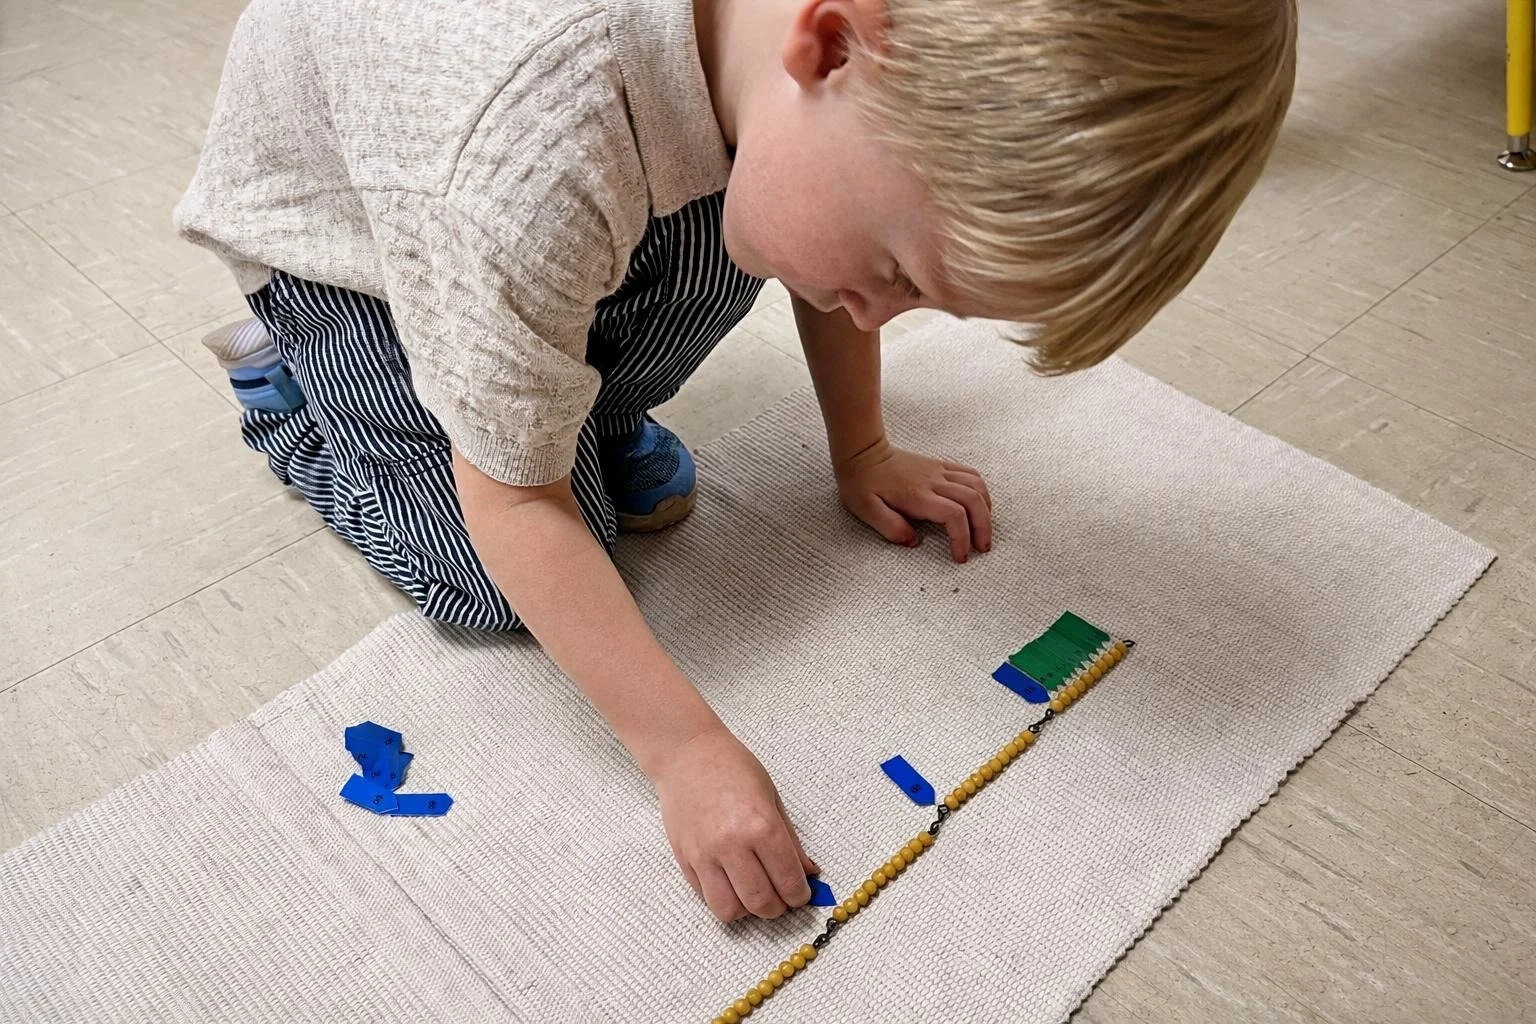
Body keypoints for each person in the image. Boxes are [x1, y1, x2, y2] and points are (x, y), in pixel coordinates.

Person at [176, 0, 1296, 923]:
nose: (876, 311)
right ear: (833, 42)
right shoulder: (521, 157)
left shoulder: (798, 63)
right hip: (349, 255)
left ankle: (554, 391)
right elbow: (512, 498)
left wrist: (862, 445)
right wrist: (682, 751)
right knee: (491, 575)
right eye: (899, 272)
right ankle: (291, 397)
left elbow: (831, 205)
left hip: (524, 200)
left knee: (773, 235)